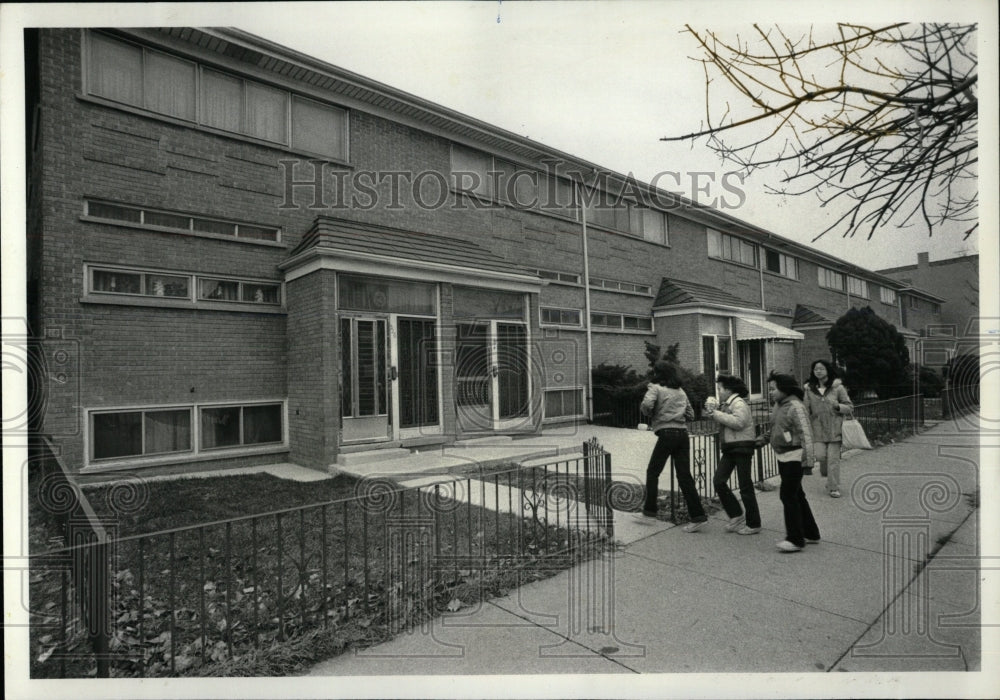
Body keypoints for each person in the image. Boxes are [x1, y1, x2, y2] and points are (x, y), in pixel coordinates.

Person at [640, 361, 706, 531]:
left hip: (666, 433)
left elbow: (647, 405)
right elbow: (691, 414)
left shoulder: (655, 387)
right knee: (684, 476)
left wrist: (651, 413)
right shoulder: (680, 391)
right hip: (682, 434)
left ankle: (649, 512)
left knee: (653, 472)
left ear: (657, 373)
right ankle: (698, 516)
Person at [765, 372, 820, 552]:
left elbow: (807, 435)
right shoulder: (779, 405)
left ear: (784, 389)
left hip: (795, 456)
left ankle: (795, 539)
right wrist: (763, 439)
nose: (770, 392)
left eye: (773, 389)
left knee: (787, 495)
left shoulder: (796, 406)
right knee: (797, 495)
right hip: (783, 455)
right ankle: (811, 533)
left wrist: (808, 461)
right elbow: (776, 428)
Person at [705, 374, 761, 535]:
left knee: (745, 486)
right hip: (731, 447)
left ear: (729, 390)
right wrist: (714, 413)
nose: (719, 392)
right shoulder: (728, 403)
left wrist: (716, 414)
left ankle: (754, 523)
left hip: (741, 447)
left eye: (720, 389)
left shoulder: (738, 403)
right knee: (719, 481)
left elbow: (739, 423)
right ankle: (736, 514)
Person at [802, 359, 853, 498]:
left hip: (834, 429)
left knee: (833, 460)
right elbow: (805, 409)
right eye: (816, 369)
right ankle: (829, 476)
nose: (818, 371)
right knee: (820, 456)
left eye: (821, 369)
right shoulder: (809, 389)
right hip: (817, 429)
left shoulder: (838, 388)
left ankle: (833, 487)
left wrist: (838, 406)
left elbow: (849, 407)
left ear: (828, 371)